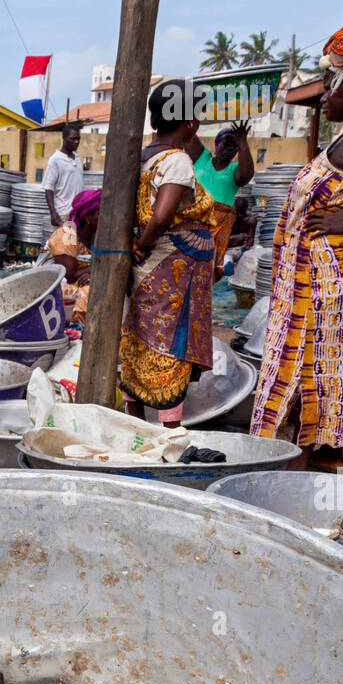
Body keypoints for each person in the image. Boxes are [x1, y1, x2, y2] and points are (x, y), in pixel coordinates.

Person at [251, 22, 343, 468]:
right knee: (311, 386)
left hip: (325, 286)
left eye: (333, 86)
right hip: (306, 283)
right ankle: (310, 480)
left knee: (318, 383)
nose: (324, 96)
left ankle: (306, 483)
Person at [120, 79, 215, 426]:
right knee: (169, 348)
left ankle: (135, 426)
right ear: (190, 123)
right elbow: (162, 215)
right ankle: (170, 434)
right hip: (168, 269)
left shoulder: (142, 157)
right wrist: (144, 243)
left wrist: (138, 243)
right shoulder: (177, 162)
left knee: (141, 341)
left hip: (149, 266)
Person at [186, 122, 254, 281]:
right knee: (188, 261)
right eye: (227, 144)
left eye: (234, 146)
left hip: (219, 225)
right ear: (216, 145)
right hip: (195, 219)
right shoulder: (202, 158)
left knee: (209, 266)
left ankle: (202, 297)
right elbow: (188, 132)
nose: (230, 148)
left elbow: (246, 175)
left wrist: (243, 140)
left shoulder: (234, 170)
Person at [47, 187, 100, 325]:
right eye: (99, 213)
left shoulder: (98, 236)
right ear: (87, 217)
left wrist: (93, 275)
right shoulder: (68, 234)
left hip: (81, 282)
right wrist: (94, 271)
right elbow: (67, 275)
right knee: (87, 294)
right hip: (55, 285)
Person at [43, 122, 84, 229]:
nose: (76, 142)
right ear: (64, 138)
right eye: (73, 139)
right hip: (64, 214)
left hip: (78, 213)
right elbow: (48, 188)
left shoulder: (77, 158)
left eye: (78, 139)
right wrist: (53, 213)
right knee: (66, 244)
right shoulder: (55, 160)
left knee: (75, 245)